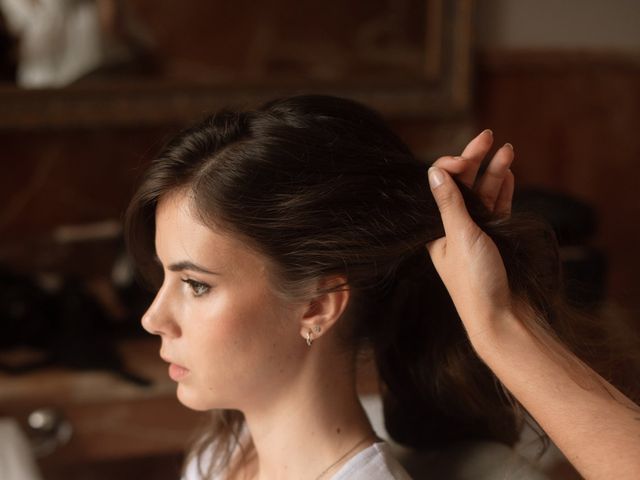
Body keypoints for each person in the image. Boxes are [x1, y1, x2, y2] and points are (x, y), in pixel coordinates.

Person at [125, 94, 640, 480]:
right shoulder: (218, 459)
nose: (152, 317)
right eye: (165, 275)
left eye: (195, 284)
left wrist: (501, 322)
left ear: (318, 306)